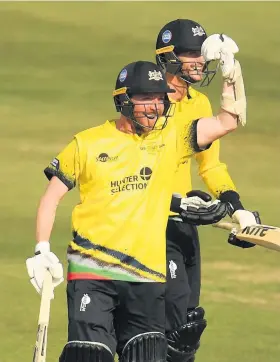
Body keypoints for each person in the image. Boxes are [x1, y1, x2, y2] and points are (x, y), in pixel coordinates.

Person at [26, 40, 249, 362]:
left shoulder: (171, 139)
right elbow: (51, 198)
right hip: (92, 271)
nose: (153, 106)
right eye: (145, 98)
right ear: (123, 100)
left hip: (147, 276)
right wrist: (41, 249)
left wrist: (232, 75)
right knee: (89, 356)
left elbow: (227, 122)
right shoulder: (87, 143)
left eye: (158, 99)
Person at [155, 19, 261, 362]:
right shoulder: (148, 104)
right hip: (152, 223)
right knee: (167, 325)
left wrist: (237, 207)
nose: (199, 61)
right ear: (168, 57)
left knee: (188, 327)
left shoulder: (199, 104)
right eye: (190, 54)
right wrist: (176, 202)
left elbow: (210, 166)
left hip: (185, 225)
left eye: (200, 55)